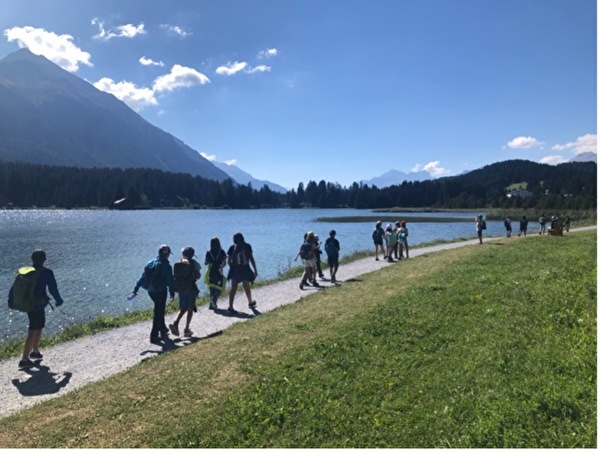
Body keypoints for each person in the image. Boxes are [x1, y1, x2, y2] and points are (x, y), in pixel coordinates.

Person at [9, 250, 64, 369]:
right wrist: (58, 300)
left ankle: (35, 351)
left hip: (29, 305)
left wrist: (11, 302)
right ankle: (24, 359)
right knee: (33, 329)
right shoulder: (47, 273)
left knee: (38, 326)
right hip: (38, 305)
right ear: (44, 260)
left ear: (32, 259)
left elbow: (14, 287)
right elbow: (53, 288)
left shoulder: (26, 272)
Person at [131, 244, 175, 345]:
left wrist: (135, 289)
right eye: (169, 254)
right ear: (167, 254)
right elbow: (170, 281)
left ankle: (163, 329)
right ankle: (154, 336)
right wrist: (172, 293)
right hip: (161, 291)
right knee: (158, 312)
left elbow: (142, 277)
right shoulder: (167, 266)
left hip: (151, 291)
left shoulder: (150, 263)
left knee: (159, 309)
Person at [169, 247, 201, 338]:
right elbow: (198, 276)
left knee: (183, 308)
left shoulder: (180, 262)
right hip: (191, 288)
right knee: (190, 309)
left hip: (181, 289)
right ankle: (187, 329)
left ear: (183, 254)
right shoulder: (194, 263)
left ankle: (175, 323)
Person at [227, 233, 258, 313]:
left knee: (233, 288)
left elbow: (229, 261)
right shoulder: (247, 246)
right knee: (246, 287)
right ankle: (250, 302)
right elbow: (251, 259)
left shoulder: (232, 248)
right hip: (245, 269)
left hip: (234, 270)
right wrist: (255, 269)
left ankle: (230, 307)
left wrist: (232, 269)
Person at [204, 237, 227, 311]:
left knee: (212, 287)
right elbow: (224, 262)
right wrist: (222, 267)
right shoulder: (222, 251)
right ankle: (213, 300)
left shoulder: (208, 252)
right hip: (218, 271)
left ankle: (211, 305)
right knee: (219, 288)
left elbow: (206, 263)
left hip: (211, 271)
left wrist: (209, 262)